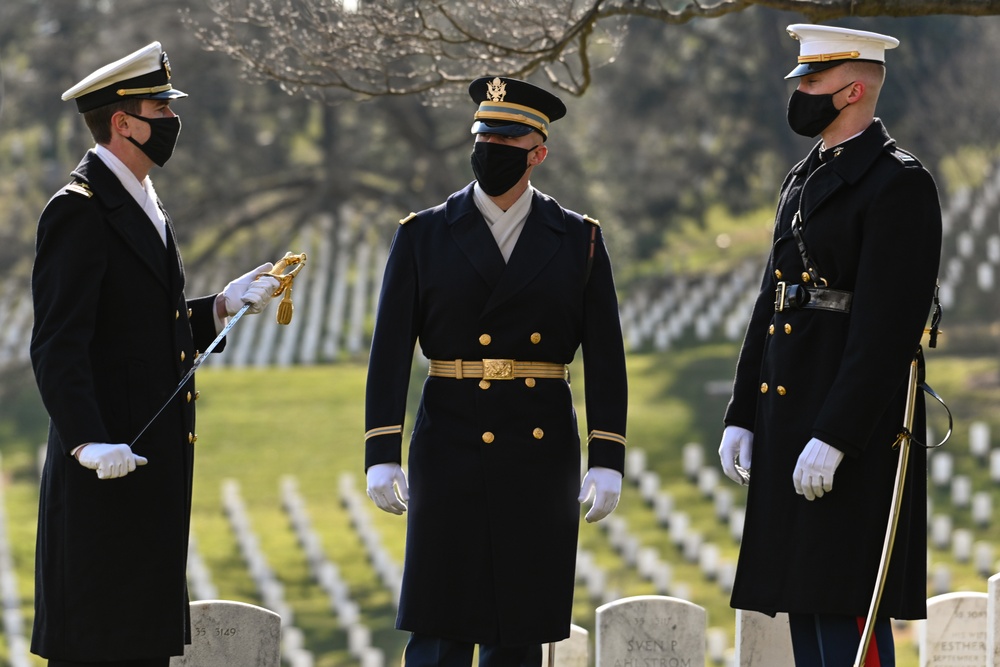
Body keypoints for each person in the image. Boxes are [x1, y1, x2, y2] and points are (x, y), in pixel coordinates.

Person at [30, 42, 281, 667]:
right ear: (122, 122)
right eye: (159, 107)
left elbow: (142, 327)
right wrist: (87, 442)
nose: (172, 120)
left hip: (148, 470)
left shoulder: (141, 199)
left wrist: (219, 306)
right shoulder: (80, 210)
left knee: (141, 645)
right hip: (104, 471)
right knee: (102, 644)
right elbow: (59, 343)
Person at [364, 76, 628, 667]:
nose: (491, 148)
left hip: (537, 452)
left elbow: (606, 357)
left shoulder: (579, 240)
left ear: (538, 152)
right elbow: (388, 351)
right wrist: (381, 451)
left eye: (508, 139)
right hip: (450, 441)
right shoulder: (422, 235)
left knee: (519, 627)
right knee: (440, 622)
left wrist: (607, 457)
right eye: (483, 135)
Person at [717, 24, 942, 666]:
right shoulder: (806, 175)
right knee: (807, 604)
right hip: (791, 413)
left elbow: (886, 331)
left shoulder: (898, 184)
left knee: (848, 607)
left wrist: (838, 433)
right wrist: (742, 411)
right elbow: (773, 299)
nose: (799, 94)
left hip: (853, 431)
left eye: (811, 83)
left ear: (851, 90)